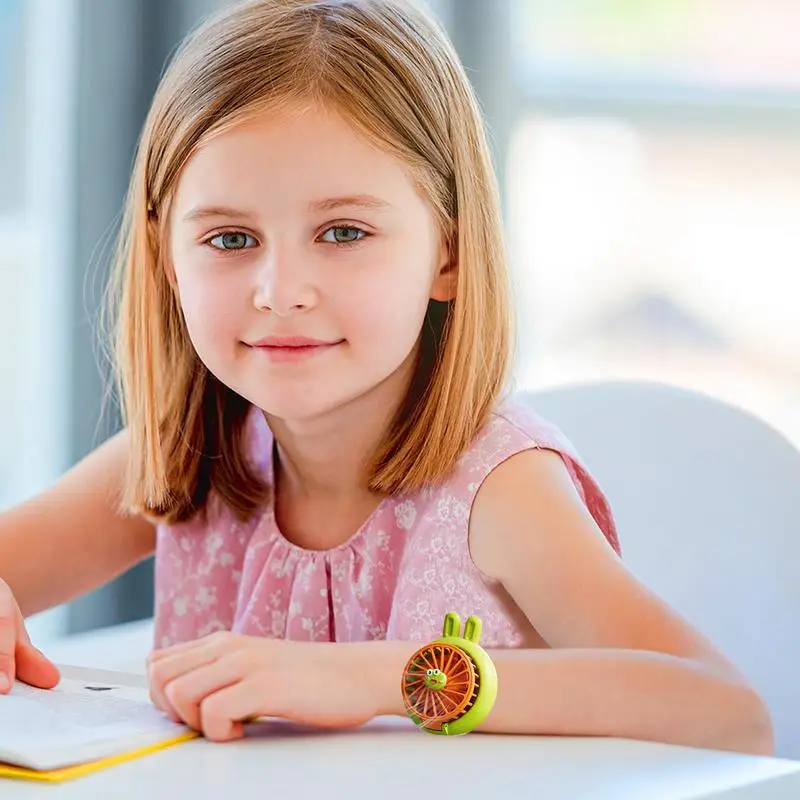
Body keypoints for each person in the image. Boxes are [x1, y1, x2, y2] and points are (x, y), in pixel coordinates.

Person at [0, 0, 772, 754]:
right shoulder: (188, 452)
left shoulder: (498, 492)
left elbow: (729, 713)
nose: (280, 289)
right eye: (231, 238)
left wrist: (379, 678)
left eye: (343, 232)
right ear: (168, 258)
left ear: (448, 253)